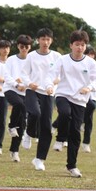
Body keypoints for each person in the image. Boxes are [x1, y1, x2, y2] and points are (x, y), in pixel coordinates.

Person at [46, 30, 96, 177]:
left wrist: (89, 87)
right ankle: (60, 138)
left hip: (81, 100)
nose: (80, 48)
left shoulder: (91, 63)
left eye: (83, 45)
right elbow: (51, 75)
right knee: (64, 113)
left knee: (75, 133)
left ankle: (72, 166)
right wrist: (49, 86)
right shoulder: (62, 60)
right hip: (63, 94)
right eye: (77, 44)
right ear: (71, 45)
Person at [21, 28, 61, 171]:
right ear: (38, 40)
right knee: (35, 113)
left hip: (48, 93)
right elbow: (24, 73)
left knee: (46, 127)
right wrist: (29, 83)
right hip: (33, 90)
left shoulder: (57, 57)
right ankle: (29, 133)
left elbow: (61, 75)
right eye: (43, 39)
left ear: (51, 40)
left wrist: (53, 84)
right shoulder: (31, 56)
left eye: (48, 39)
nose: (45, 42)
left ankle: (39, 159)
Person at [3, 34, 32, 162]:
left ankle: (14, 151)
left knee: (22, 123)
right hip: (10, 89)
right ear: (18, 46)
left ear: (30, 47)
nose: (24, 49)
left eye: (26, 47)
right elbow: (6, 75)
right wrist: (16, 84)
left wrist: (25, 85)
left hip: (25, 92)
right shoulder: (11, 60)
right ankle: (11, 125)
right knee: (19, 104)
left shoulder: (32, 60)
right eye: (21, 46)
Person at [81, 47, 96, 153]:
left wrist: (91, 88)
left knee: (89, 117)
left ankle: (86, 143)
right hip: (79, 95)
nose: (90, 56)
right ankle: (63, 139)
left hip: (92, 95)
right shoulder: (80, 64)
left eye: (92, 54)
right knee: (71, 117)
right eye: (88, 54)